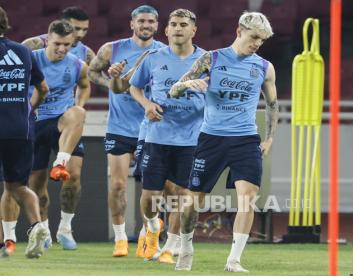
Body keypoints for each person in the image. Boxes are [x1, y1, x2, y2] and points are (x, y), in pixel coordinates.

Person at [169, 11, 279, 272]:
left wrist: (270, 138)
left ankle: (234, 260)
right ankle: (185, 246)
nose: (257, 44)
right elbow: (174, 89)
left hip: (246, 140)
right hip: (212, 138)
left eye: (262, 40)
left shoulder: (264, 67)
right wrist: (188, 84)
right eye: (254, 37)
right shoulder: (212, 58)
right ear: (239, 30)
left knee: (248, 198)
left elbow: (272, 105)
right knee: (192, 202)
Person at [0, 20, 90, 252]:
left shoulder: (78, 65)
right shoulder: (29, 59)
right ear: (47, 38)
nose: (62, 49)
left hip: (62, 121)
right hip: (33, 122)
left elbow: (84, 84)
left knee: (74, 174)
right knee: (35, 186)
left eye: (67, 45)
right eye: (58, 44)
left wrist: (76, 104)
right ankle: (45, 230)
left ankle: (66, 227)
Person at [0, 2, 50, 259]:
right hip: (23, 129)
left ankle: (0, 247)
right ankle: (38, 225)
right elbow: (44, 88)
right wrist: (29, 109)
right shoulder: (24, 52)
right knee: (18, 186)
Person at [129, 9, 207, 263]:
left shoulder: (207, 61)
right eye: (173, 24)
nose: (178, 28)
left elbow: (217, 95)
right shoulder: (153, 57)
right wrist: (147, 105)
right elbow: (134, 86)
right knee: (150, 195)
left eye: (184, 24)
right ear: (166, 30)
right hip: (157, 135)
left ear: (193, 30)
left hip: (191, 139)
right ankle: (152, 226)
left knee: (182, 196)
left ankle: (171, 247)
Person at [88, 5, 166, 257]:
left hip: (151, 128)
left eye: (151, 21)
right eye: (142, 21)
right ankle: (120, 238)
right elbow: (92, 71)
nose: (146, 25)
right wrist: (111, 84)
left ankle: (147, 237)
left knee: (151, 189)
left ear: (157, 25)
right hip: (119, 127)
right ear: (132, 23)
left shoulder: (164, 52)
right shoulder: (112, 49)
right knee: (118, 185)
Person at [22, 6, 95, 65]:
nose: (80, 35)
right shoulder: (34, 45)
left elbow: (97, 75)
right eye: (76, 28)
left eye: (85, 29)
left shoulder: (86, 54)